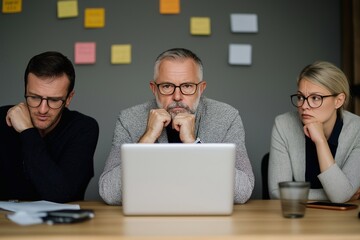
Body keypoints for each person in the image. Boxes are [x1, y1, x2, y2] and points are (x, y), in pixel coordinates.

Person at [99, 48, 254, 205]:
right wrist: (148, 138)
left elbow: (242, 191)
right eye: (167, 86)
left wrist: (193, 144)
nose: (177, 96)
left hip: (206, 217)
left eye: (187, 86)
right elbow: (109, 193)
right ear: (154, 89)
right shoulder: (129, 119)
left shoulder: (227, 117)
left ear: (201, 88)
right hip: (150, 216)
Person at [0, 51, 99, 203]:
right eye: (34, 97)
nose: (42, 109)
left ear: (68, 98)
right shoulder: (3, 119)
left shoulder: (84, 128)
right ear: (25, 90)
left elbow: (60, 193)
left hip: (61, 225)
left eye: (53, 100)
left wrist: (27, 131)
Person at [268, 61, 360, 203]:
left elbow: (341, 196)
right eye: (300, 97)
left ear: (339, 100)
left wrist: (320, 141)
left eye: (315, 98)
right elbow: (276, 192)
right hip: (299, 218)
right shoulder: (284, 124)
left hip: (342, 220)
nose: (304, 106)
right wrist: (340, 195)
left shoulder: (357, 130)